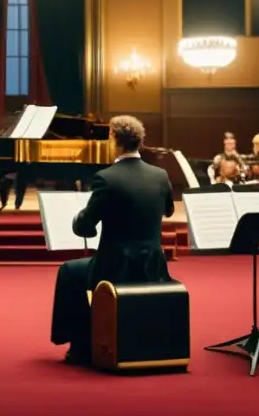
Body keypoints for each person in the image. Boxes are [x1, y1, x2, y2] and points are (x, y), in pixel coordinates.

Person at [50, 115, 175, 365]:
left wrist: (79, 220)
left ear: (113, 140)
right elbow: (168, 210)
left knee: (69, 271)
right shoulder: (160, 175)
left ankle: (80, 346)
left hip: (115, 265)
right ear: (139, 142)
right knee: (76, 271)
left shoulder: (106, 177)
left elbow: (85, 226)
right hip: (153, 263)